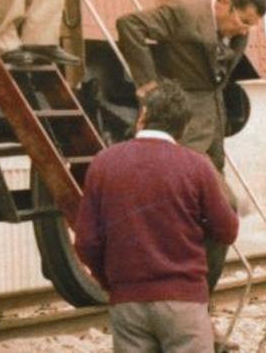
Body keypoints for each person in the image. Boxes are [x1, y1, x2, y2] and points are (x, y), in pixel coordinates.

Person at [75, 80, 239, 353]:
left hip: (128, 304)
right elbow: (227, 230)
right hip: (184, 304)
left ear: (143, 116)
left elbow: (86, 242)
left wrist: (112, 283)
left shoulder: (103, 163)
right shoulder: (197, 165)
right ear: (183, 128)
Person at [115, 0, 266, 171]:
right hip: (181, 126)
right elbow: (129, 25)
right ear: (225, 3)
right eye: (244, 21)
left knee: (212, 183)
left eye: (251, 26)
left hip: (214, 131)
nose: (245, 32)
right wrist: (149, 88)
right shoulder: (184, 13)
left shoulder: (240, 33)